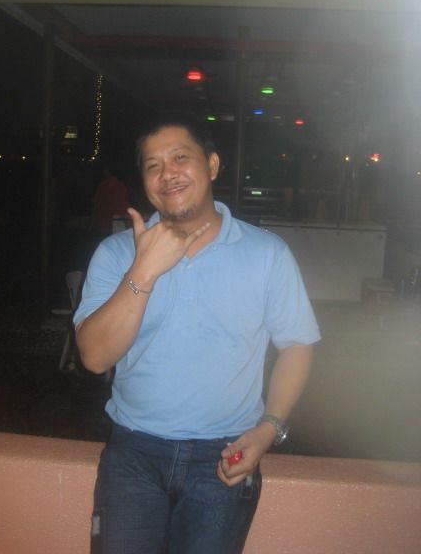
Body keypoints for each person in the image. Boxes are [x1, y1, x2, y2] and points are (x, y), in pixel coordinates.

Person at [74, 116, 320, 554]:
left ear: (212, 165)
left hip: (225, 455)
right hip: (133, 454)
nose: (167, 173)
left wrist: (269, 429)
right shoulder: (116, 254)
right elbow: (94, 357)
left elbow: (297, 346)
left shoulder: (266, 253)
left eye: (180, 158)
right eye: (153, 166)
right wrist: (144, 270)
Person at [90, 164, 129, 238]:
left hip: (104, 223)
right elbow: (125, 204)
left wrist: (91, 223)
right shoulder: (122, 185)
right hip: (118, 222)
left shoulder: (104, 185)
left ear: (107, 171)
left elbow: (96, 205)